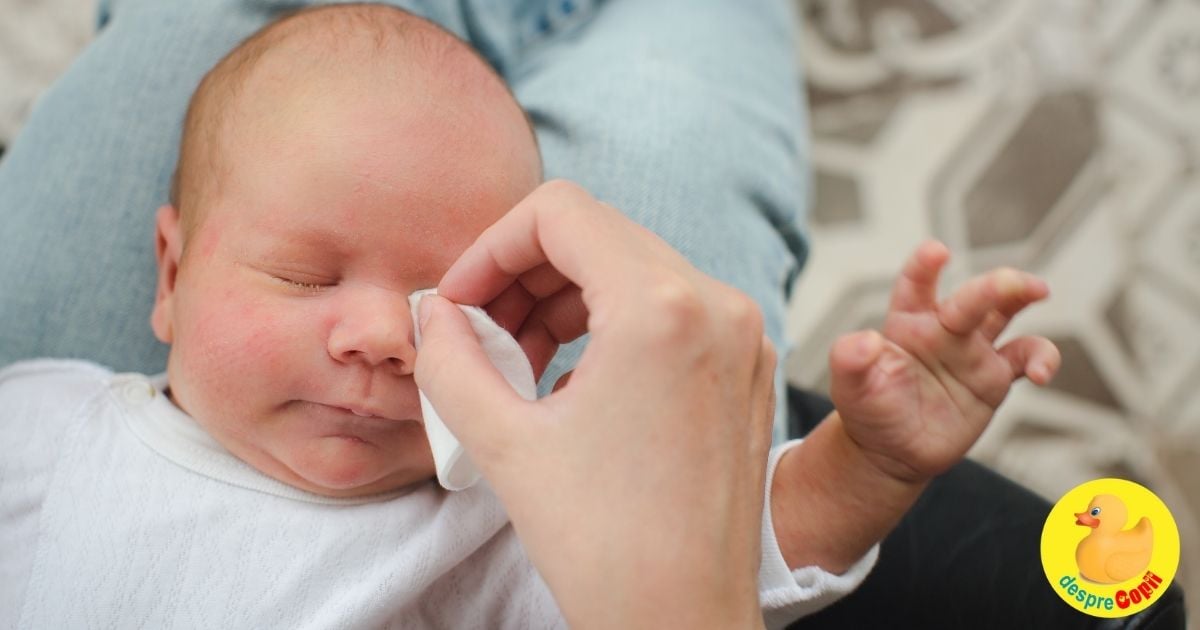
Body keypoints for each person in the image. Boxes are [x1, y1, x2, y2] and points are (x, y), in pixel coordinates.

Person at [0, 4, 1068, 628]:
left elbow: (709, 544)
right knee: (681, 63)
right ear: (171, 273)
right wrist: (872, 469)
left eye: (445, 299)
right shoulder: (49, 430)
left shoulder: (485, 513)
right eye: (304, 277)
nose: (381, 336)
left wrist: (857, 470)